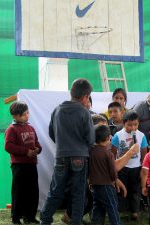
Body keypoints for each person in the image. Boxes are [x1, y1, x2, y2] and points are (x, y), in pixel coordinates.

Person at [40, 78, 95, 225]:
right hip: (80, 157)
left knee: (56, 191)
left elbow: (52, 133)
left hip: (61, 156)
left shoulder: (57, 110)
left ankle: (45, 220)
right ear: (85, 97)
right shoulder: (85, 113)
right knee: (78, 194)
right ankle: (75, 222)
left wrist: (63, 145)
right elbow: (90, 139)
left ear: (71, 93)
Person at [89, 124, 139, 225]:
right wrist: (114, 180)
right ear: (108, 138)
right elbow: (113, 170)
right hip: (106, 186)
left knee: (97, 206)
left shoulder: (91, 151)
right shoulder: (108, 153)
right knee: (112, 208)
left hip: (94, 186)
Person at [5, 101, 42, 225]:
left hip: (32, 164)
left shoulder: (30, 127)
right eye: (24, 114)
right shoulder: (11, 129)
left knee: (32, 191)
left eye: (27, 113)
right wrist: (26, 152)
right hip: (19, 165)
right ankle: (16, 218)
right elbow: (8, 146)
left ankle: (30, 216)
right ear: (15, 116)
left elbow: (36, 143)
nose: (27, 115)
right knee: (19, 192)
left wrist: (38, 149)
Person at [111, 110, 148, 220]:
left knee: (136, 190)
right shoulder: (118, 135)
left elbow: (144, 153)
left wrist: (142, 167)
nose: (133, 128)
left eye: (135, 124)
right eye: (129, 125)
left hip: (136, 168)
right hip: (122, 168)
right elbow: (113, 153)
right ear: (123, 123)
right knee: (121, 189)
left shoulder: (141, 135)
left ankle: (135, 211)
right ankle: (120, 209)